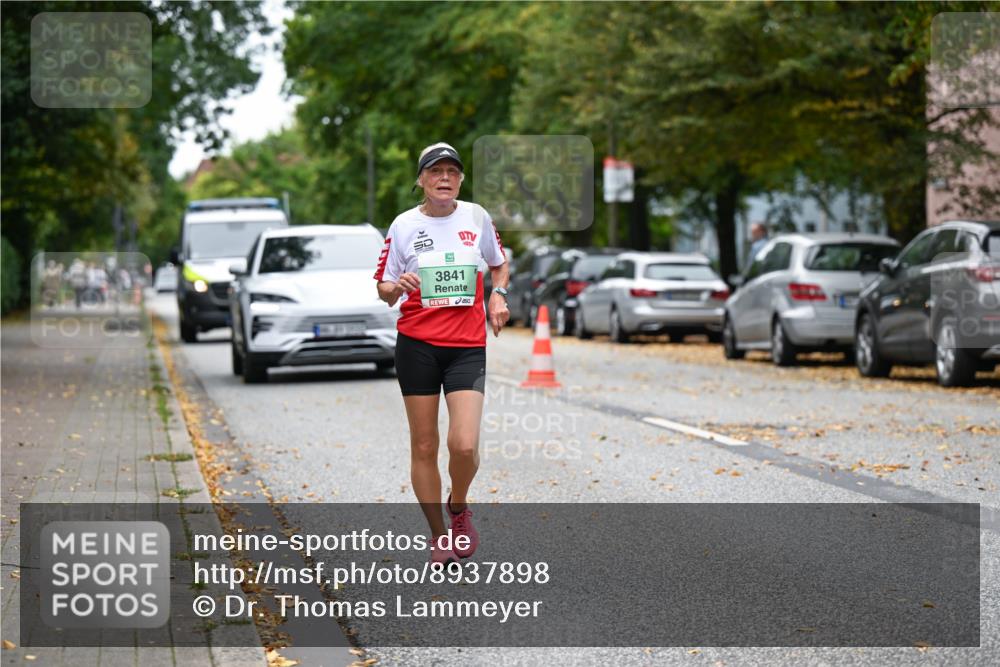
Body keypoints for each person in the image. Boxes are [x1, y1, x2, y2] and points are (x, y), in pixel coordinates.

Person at [374, 142, 510, 568]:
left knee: (464, 445)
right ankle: (438, 537)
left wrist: (498, 296)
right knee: (425, 444)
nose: (445, 178)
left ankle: (459, 506)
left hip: (467, 346)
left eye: (452, 171)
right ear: (421, 180)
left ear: (461, 179)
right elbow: (383, 287)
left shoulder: (477, 217)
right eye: (435, 172)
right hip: (417, 345)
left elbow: (498, 263)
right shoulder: (403, 225)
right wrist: (397, 287)